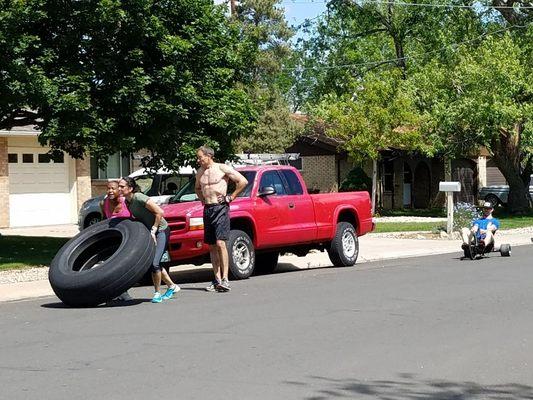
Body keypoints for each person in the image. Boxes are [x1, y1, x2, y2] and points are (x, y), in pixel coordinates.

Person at [195, 146, 248, 292]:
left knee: (220, 243)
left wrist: (230, 197)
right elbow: (197, 188)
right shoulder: (200, 172)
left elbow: (242, 181)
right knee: (211, 245)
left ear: (209, 155)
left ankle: (225, 279)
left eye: (200, 157)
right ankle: (216, 279)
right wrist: (202, 200)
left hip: (221, 208)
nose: (198, 160)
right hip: (208, 209)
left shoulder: (221, 168)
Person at [118, 176, 179, 303]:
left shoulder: (139, 197)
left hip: (161, 230)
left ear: (130, 188)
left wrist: (154, 230)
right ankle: (172, 286)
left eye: (122, 186)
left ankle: (157, 293)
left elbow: (159, 212)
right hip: (150, 232)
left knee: (154, 263)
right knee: (154, 261)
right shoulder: (127, 202)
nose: (119, 188)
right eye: (119, 186)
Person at [100, 180, 133, 301]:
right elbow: (104, 221)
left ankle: (124, 292)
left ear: (119, 190)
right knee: (111, 266)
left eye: (113, 188)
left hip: (127, 239)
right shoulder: (104, 203)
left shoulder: (127, 202)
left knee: (123, 266)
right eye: (108, 188)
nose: (110, 191)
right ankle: (113, 292)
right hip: (113, 238)